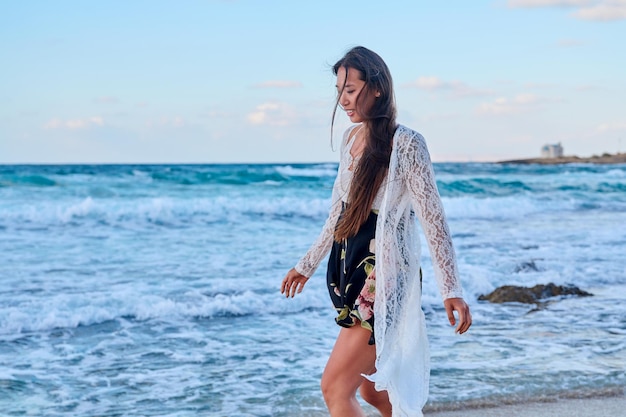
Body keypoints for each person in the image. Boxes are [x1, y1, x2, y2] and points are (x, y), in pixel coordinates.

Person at [280, 46, 471, 417]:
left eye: (350, 89)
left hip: (382, 278)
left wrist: (451, 289)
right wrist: (306, 264)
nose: (343, 99)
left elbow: (434, 219)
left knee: (335, 387)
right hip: (350, 269)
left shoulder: (407, 144)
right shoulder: (351, 141)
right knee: (375, 391)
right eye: (340, 91)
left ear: (377, 87)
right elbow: (339, 212)